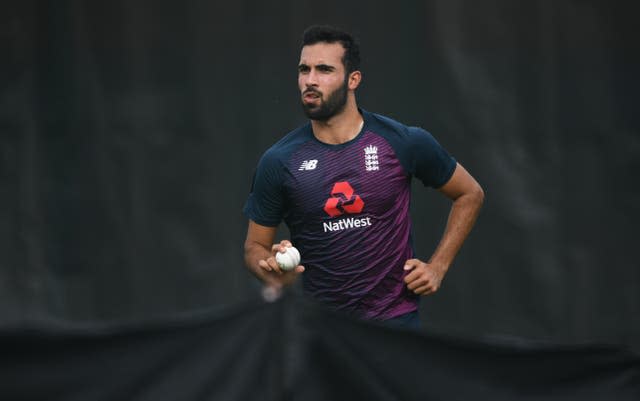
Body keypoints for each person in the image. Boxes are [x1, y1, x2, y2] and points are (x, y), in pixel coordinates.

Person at [243, 25, 484, 327]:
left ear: (353, 79)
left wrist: (438, 266)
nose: (310, 80)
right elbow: (254, 248)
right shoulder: (279, 160)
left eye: (324, 70)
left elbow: (469, 193)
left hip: (395, 325)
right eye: (304, 70)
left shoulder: (403, 141)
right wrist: (271, 268)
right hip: (319, 330)